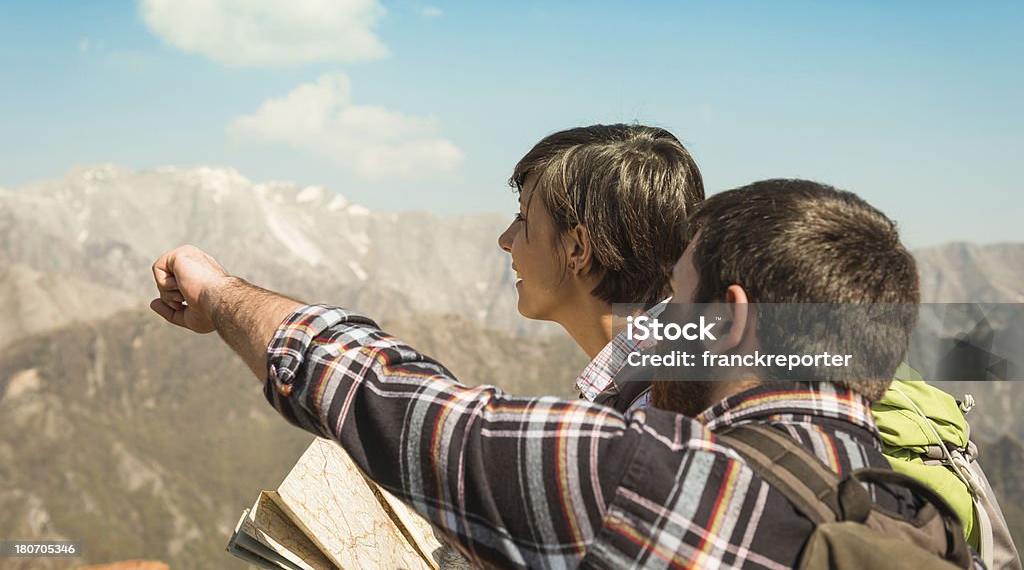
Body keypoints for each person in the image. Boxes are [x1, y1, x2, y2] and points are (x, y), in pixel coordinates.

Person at [150, 178, 970, 569]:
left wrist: (222, 295)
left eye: (677, 299)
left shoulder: (655, 480)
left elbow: (402, 407)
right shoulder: (924, 516)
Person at [495, 123, 704, 412]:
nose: (505, 240)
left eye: (523, 217)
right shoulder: (688, 365)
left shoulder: (654, 409)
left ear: (578, 248)